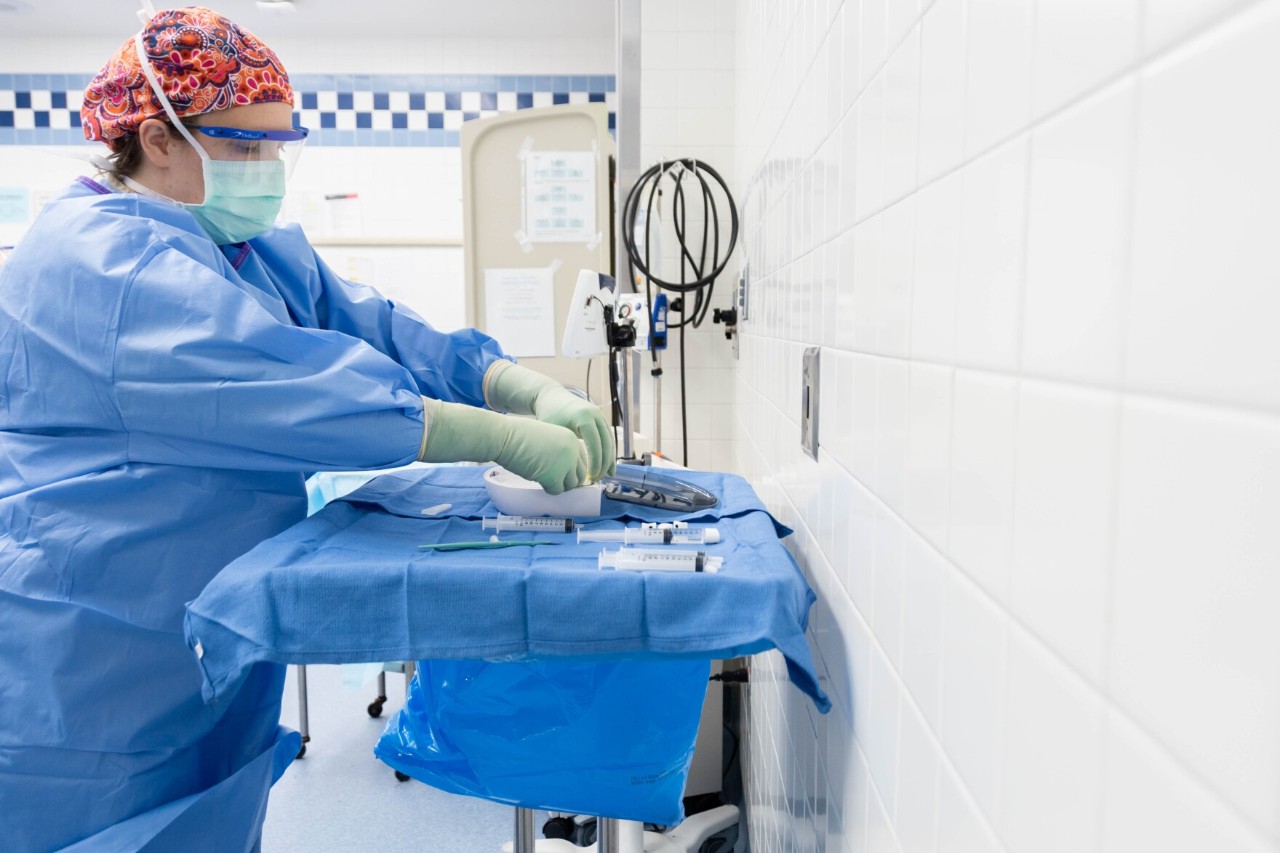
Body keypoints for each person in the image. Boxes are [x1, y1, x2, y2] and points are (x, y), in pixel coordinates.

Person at [0, 7, 614, 851]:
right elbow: (288, 383)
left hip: (200, 632)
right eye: (246, 146)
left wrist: (507, 381)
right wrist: (494, 437)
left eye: (280, 144)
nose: (269, 167)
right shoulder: (98, 264)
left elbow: (367, 322)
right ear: (158, 138)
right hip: (94, 651)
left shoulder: (240, 244)